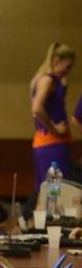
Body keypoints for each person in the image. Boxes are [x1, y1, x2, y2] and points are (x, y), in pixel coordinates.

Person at [31, 42, 76, 194]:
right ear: (56, 60)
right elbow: (37, 108)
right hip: (51, 146)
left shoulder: (54, 80)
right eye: (67, 67)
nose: (68, 71)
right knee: (54, 193)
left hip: (55, 145)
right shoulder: (47, 80)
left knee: (55, 191)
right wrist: (54, 128)